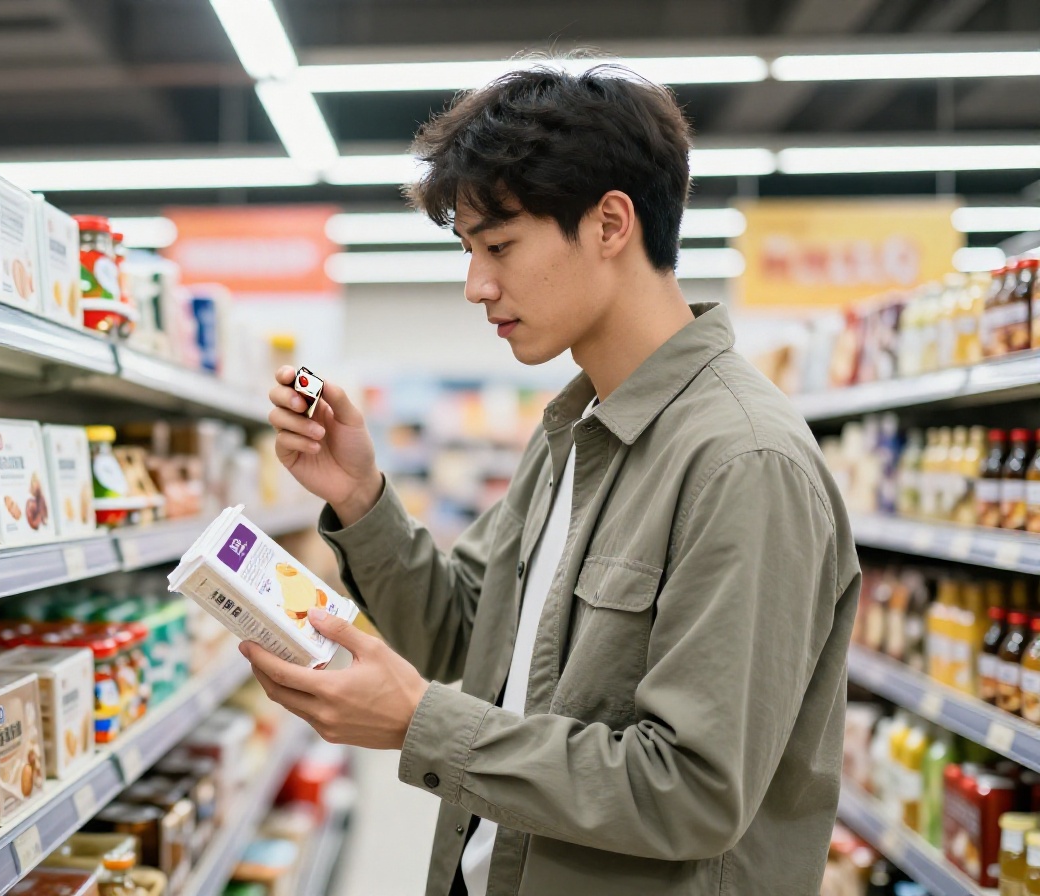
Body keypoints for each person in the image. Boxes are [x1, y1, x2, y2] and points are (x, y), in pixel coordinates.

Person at [243, 64, 860, 895]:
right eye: (469, 251)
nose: (476, 286)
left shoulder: (744, 463)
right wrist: (358, 494)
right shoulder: (574, 434)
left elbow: (693, 793)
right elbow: (462, 632)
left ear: (610, 223)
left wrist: (423, 723)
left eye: (498, 246)